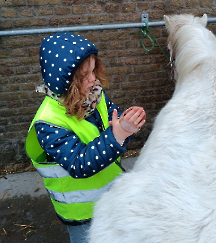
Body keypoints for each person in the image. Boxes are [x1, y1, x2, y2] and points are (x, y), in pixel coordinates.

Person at [25, 32, 146, 243]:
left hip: (109, 195)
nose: (93, 79)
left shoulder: (94, 95)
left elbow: (110, 122)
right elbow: (80, 163)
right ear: (64, 82)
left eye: (93, 70)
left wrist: (124, 125)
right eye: (84, 76)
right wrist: (117, 135)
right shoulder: (48, 123)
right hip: (81, 212)